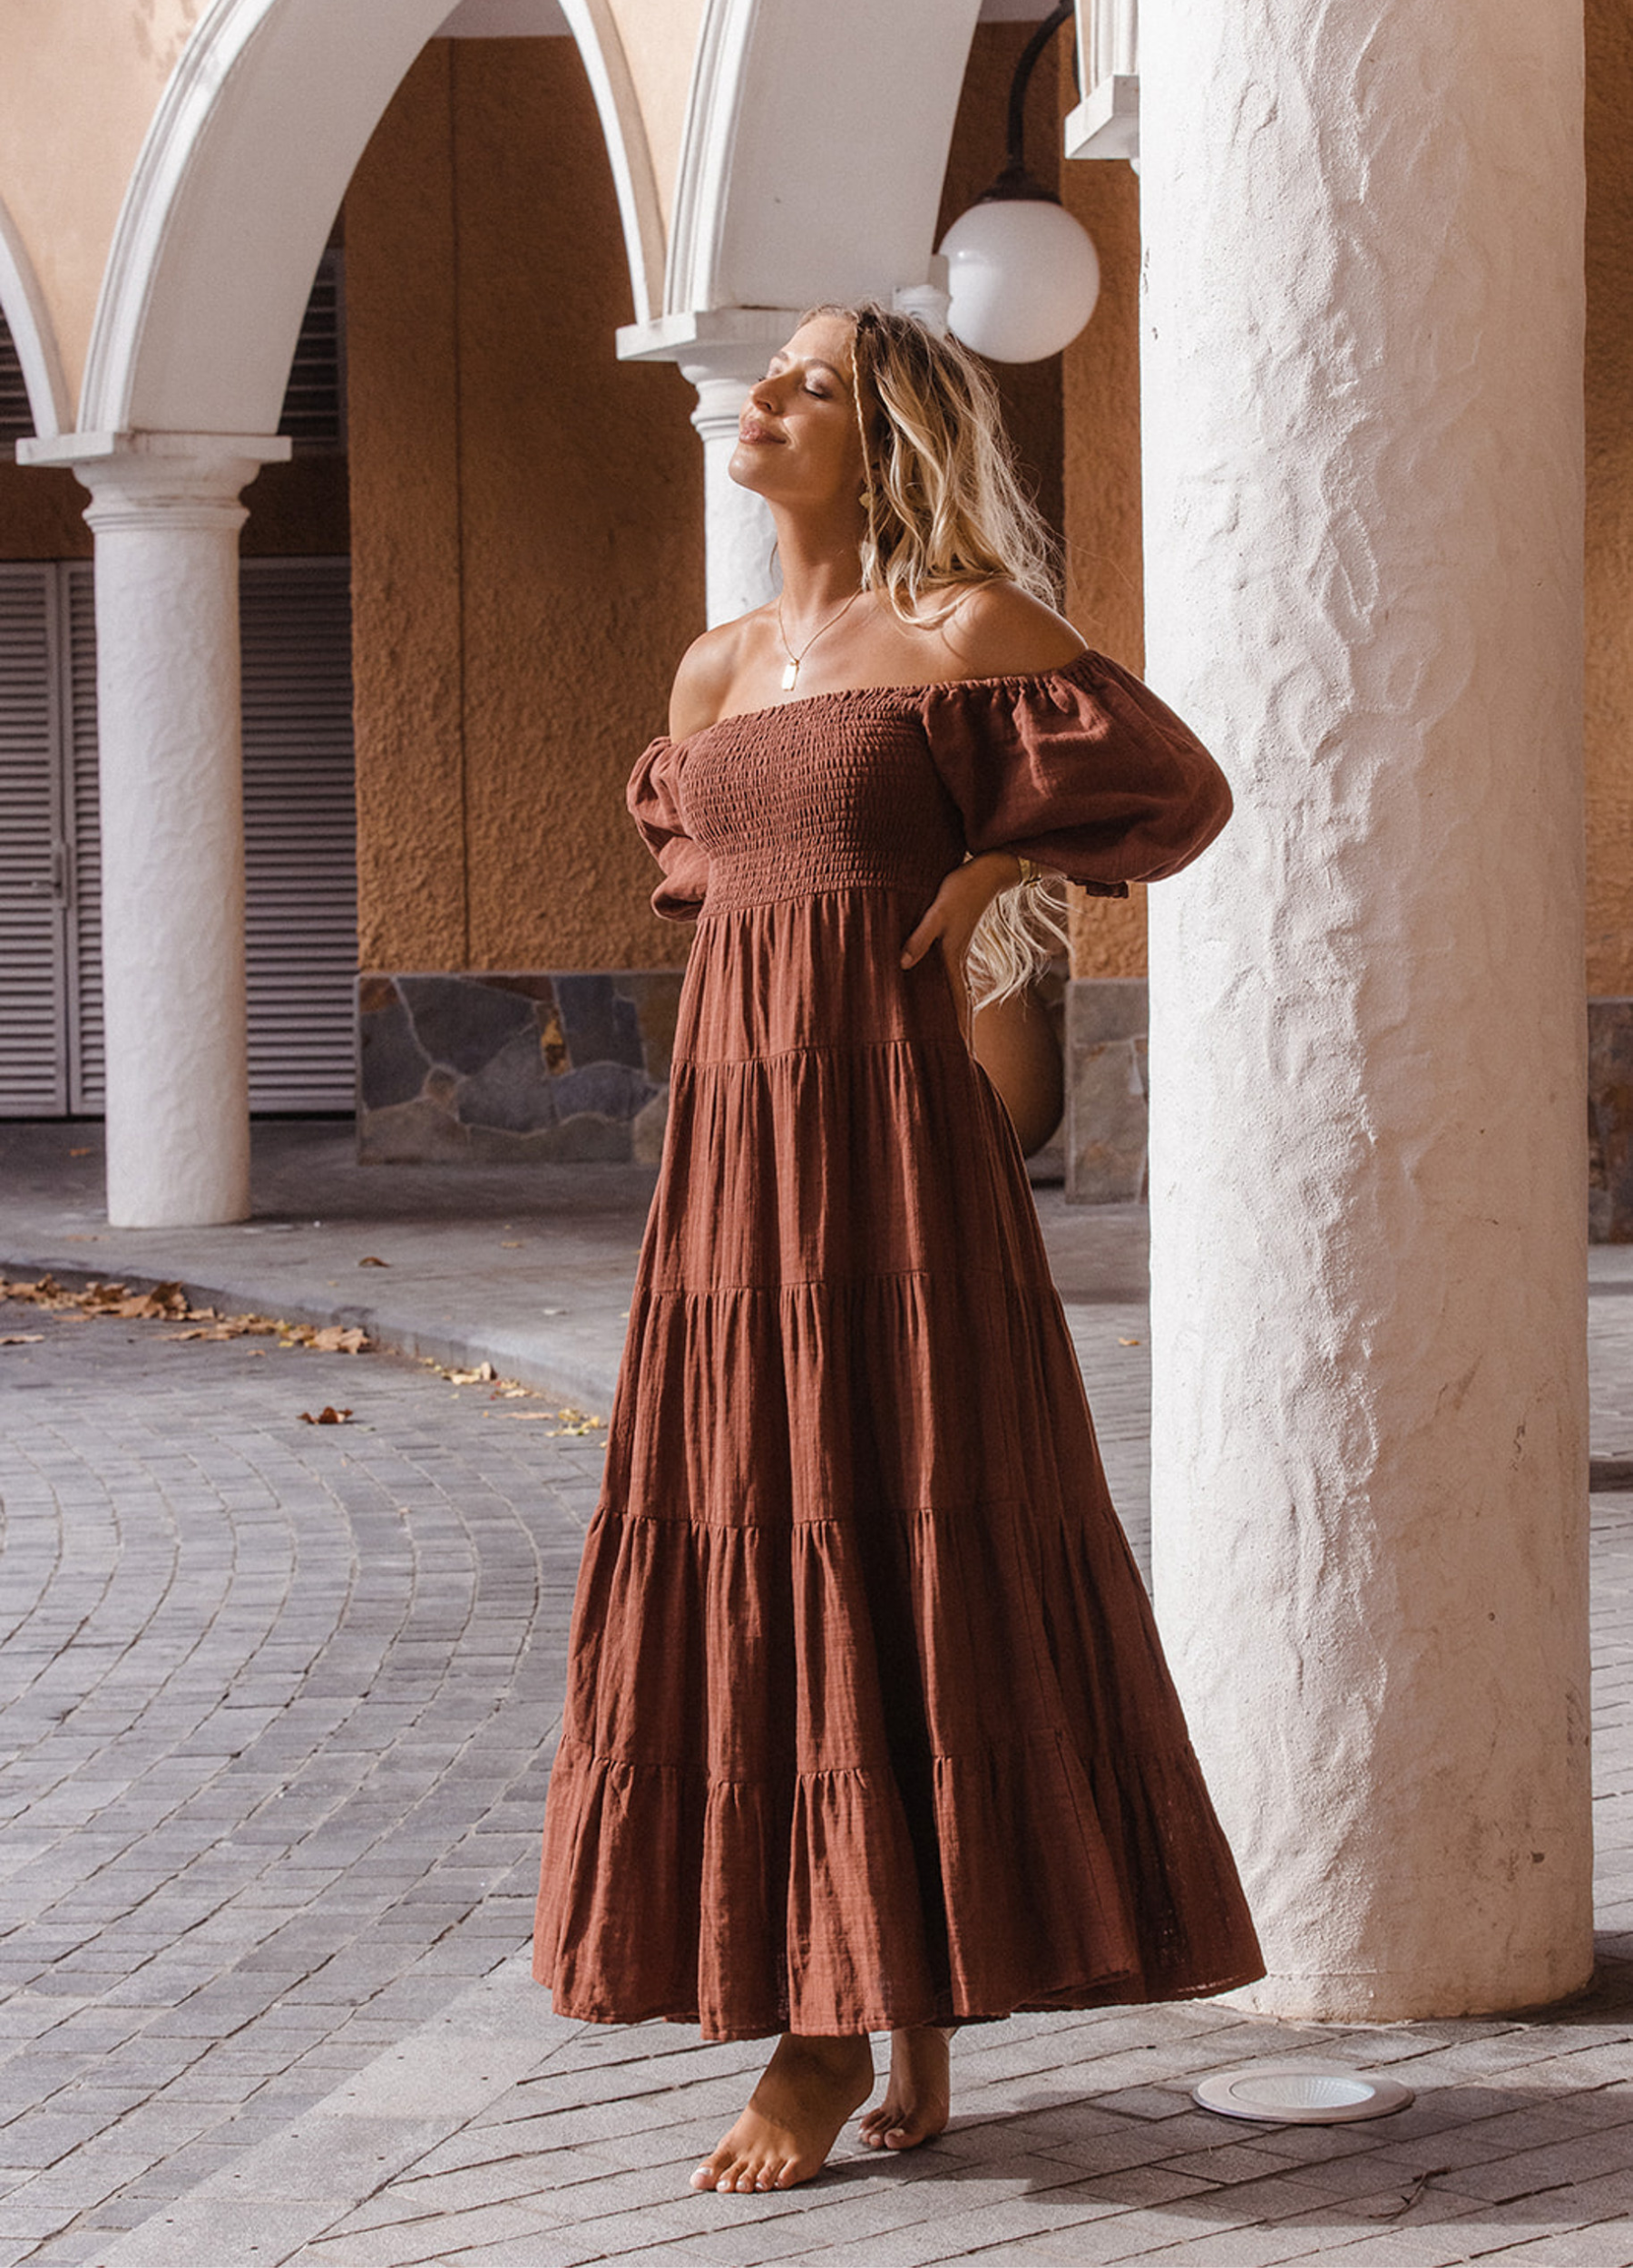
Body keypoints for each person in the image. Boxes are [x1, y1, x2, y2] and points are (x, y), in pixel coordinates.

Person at [533, 300, 1263, 2197]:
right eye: (761, 374)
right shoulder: (712, 676)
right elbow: (719, 904)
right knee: (761, 1513)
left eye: (812, 381)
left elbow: (1173, 793)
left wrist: (1001, 860)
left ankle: (830, 2025)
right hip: (732, 1168)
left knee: (900, 1499)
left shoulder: (966, 635)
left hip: (893, 1153)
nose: (761, 398)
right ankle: (870, 1977)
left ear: (891, 430)